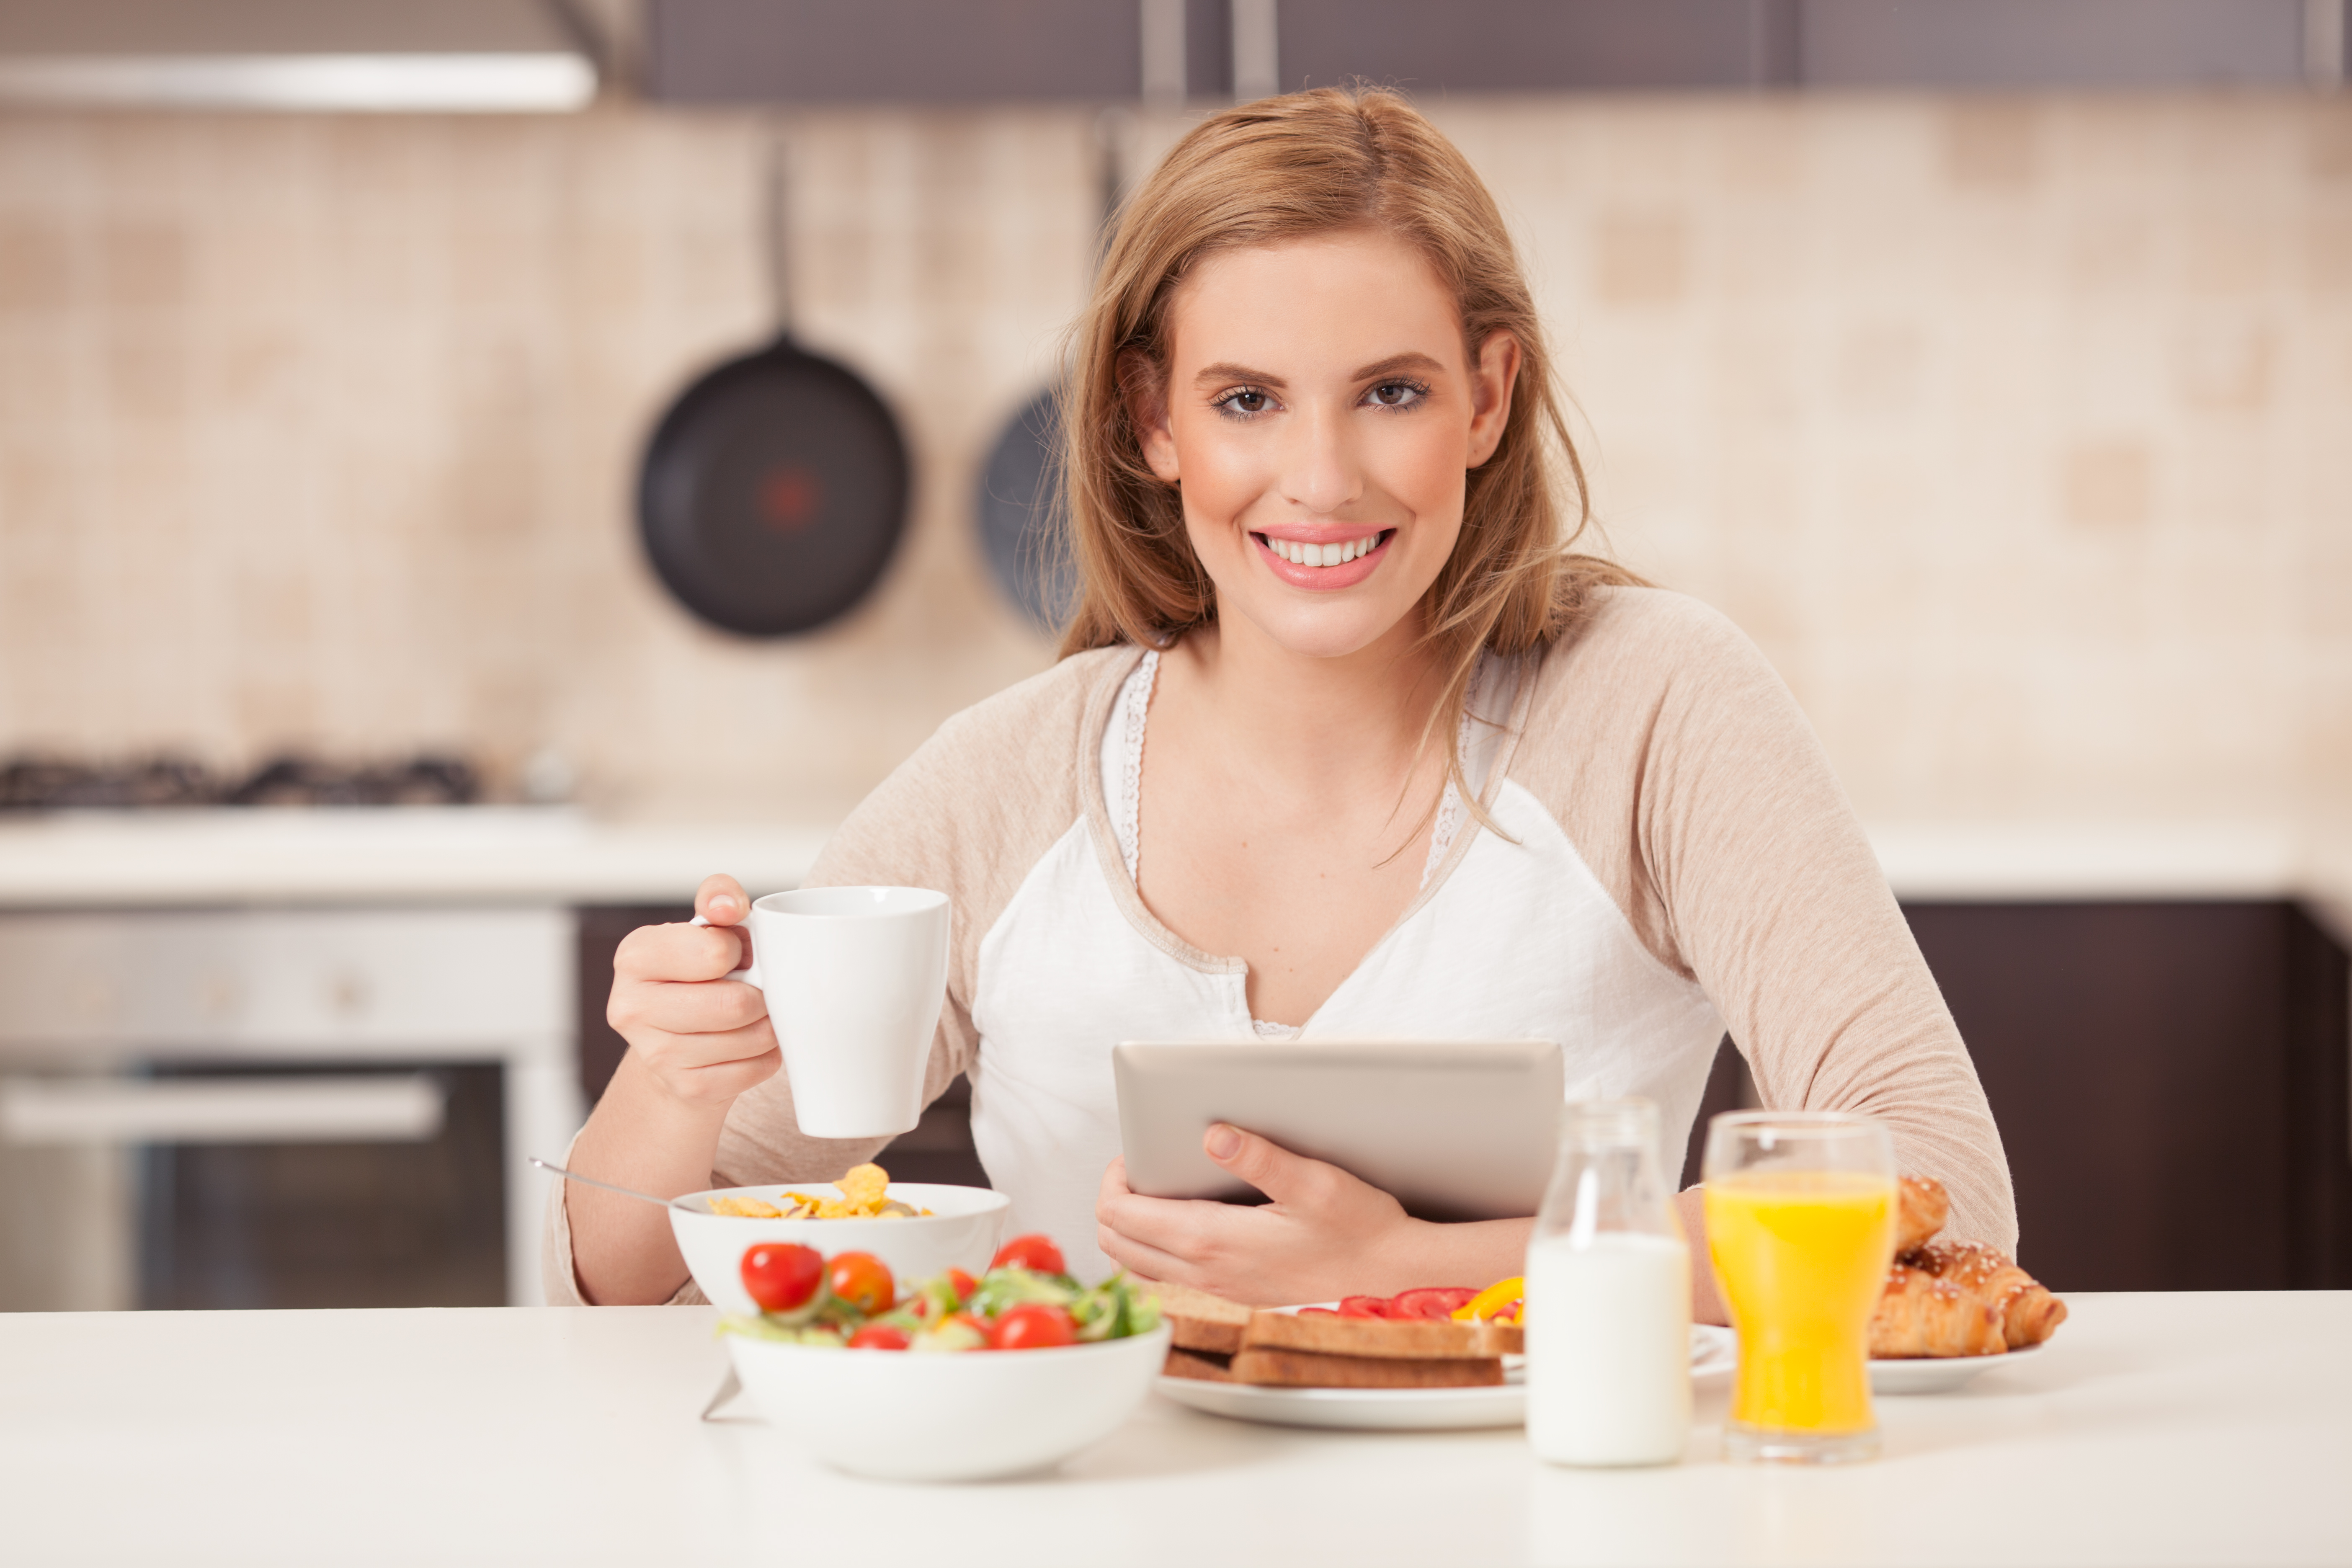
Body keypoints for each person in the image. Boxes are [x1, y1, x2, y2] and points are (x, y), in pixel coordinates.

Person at [550, 87, 2015, 1313]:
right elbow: (625, 1291)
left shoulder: (1650, 704)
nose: (1321, 479)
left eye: (1391, 392)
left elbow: (1943, 1192)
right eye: (1248, 399)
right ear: (1153, 421)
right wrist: (676, 1086)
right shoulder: (1008, 782)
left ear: (1489, 398)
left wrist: (1428, 1265)